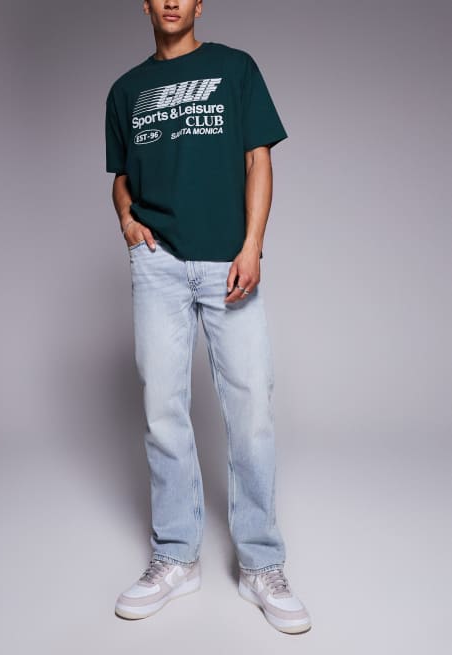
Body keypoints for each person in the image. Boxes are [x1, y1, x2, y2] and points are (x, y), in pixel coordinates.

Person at [105, 0, 311, 634]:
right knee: (162, 409)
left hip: (228, 260)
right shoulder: (126, 90)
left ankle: (261, 565)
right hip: (159, 264)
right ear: (145, 3)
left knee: (250, 410)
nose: (171, 1)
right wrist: (127, 219)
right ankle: (176, 557)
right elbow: (121, 176)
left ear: (199, 3)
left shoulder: (234, 68)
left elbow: (258, 158)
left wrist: (252, 245)